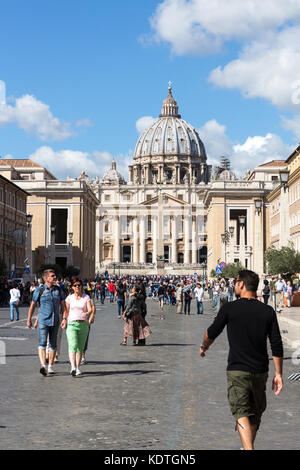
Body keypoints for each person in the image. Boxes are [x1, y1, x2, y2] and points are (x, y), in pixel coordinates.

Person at [199, 270, 283, 451]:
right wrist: (279, 374)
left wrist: (204, 346)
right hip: (261, 371)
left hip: (238, 370)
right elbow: (276, 343)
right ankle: (247, 447)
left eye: (236, 282)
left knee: (241, 412)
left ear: (241, 284)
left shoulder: (230, 308)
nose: (234, 285)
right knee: (254, 415)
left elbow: (212, 332)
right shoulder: (267, 311)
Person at [27, 269, 66, 376]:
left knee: (53, 345)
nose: (55, 277)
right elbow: (33, 305)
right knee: (42, 343)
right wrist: (29, 319)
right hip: (43, 321)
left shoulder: (58, 290)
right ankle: (43, 366)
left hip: (55, 321)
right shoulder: (39, 290)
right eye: (53, 276)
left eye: (55, 275)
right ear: (46, 278)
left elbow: (63, 305)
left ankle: (50, 366)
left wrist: (64, 318)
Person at [61, 278, 93, 376]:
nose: (77, 287)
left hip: (83, 324)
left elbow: (90, 309)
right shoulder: (69, 298)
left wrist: (87, 313)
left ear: (82, 286)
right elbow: (66, 310)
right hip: (71, 324)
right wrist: (64, 319)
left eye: (79, 285)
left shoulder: (86, 297)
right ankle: (73, 367)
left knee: (80, 347)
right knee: (73, 345)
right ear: (72, 287)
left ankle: (78, 367)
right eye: (75, 285)